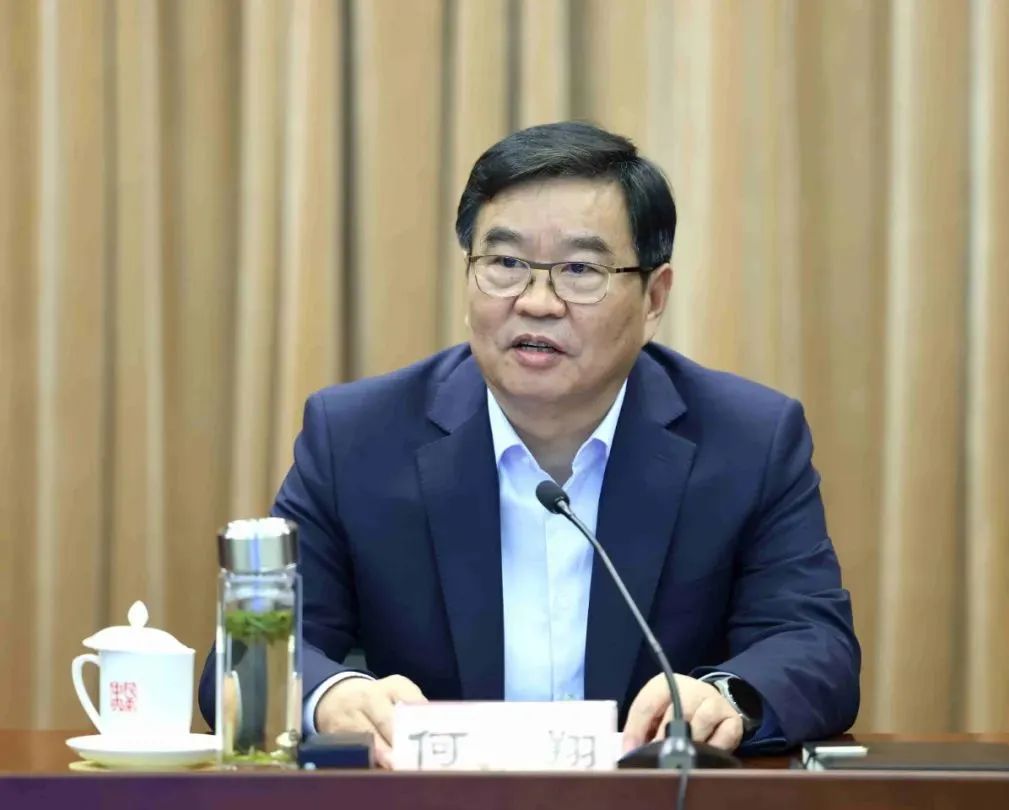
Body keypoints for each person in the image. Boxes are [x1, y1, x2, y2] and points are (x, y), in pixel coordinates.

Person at [198, 121, 860, 768]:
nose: (538, 302)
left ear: (654, 299)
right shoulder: (356, 439)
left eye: (580, 269)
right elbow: (243, 664)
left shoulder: (747, 441)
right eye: (506, 264)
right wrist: (330, 696)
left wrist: (725, 697)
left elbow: (814, 644)